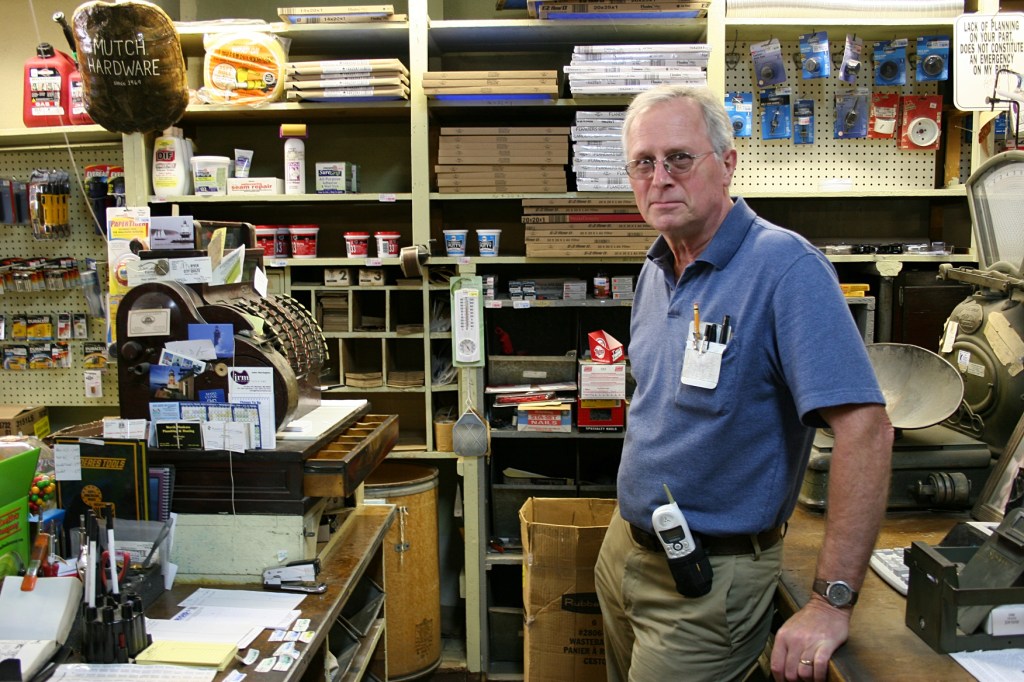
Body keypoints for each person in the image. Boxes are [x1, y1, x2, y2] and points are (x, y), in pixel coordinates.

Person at [593, 84, 894, 682]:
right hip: (624, 552)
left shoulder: (786, 268)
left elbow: (866, 431)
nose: (660, 178)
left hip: (708, 584)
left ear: (728, 163)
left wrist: (830, 602)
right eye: (643, 163)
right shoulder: (656, 268)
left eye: (680, 157)